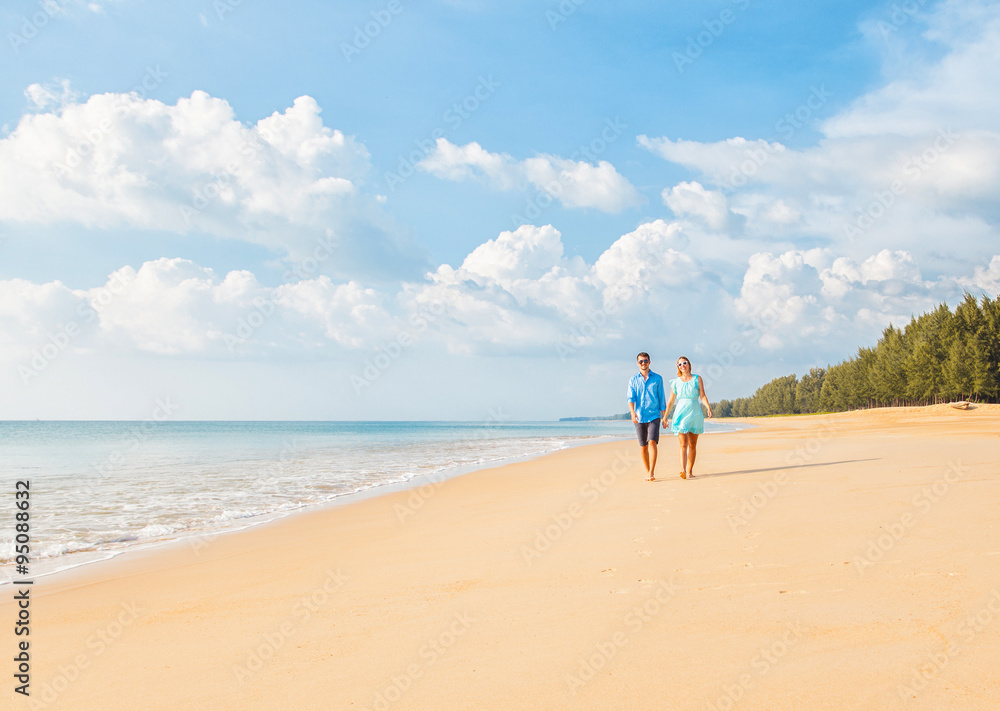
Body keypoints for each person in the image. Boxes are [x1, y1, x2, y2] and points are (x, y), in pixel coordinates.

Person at [662, 356, 713, 479]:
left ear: (689, 364)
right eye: (679, 364)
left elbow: (703, 395)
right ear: (678, 367)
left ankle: (690, 471)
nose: (682, 366)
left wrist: (708, 407)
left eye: (684, 363)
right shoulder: (675, 382)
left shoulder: (697, 379)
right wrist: (665, 417)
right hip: (681, 414)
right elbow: (671, 401)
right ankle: (683, 470)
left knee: (693, 444)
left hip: (695, 413)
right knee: (683, 444)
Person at [627, 352, 666, 481]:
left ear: (650, 362)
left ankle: (651, 472)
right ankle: (647, 470)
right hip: (639, 417)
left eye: (645, 361)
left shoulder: (657, 378)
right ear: (637, 363)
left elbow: (662, 399)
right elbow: (630, 398)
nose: (643, 363)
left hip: (654, 415)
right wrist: (632, 412)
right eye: (640, 361)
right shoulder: (633, 380)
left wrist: (665, 417)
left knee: (652, 442)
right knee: (643, 446)